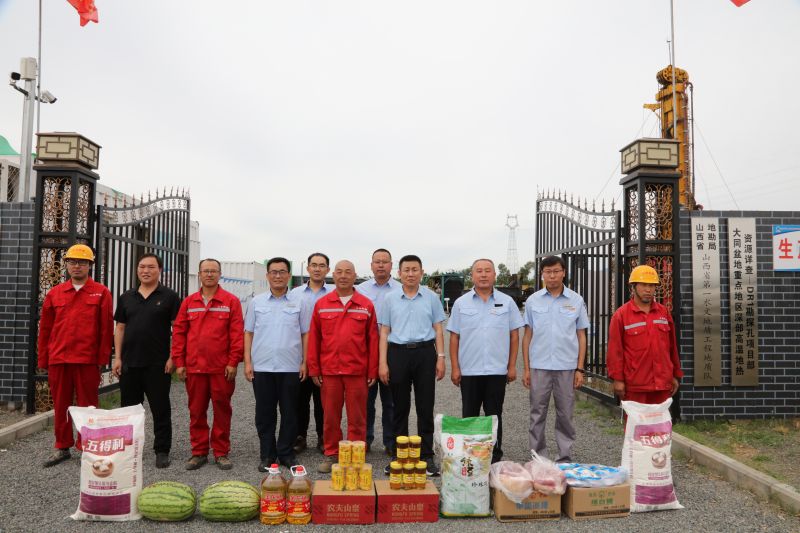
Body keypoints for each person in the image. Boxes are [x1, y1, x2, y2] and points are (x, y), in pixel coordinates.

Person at [37, 244, 113, 467]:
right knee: (61, 405)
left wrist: (102, 359)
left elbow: (105, 329)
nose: (76, 266)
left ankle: (88, 447)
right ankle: (62, 447)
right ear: (67, 265)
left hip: (87, 360)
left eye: (82, 262)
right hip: (59, 359)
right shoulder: (55, 293)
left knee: (88, 406)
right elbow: (45, 330)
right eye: (72, 262)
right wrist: (44, 360)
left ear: (90, 265)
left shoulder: (101, 292)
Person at [447, 258, 523, 463]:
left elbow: (514, 336)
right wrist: (455, 368)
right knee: (469, 415)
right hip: (469, 371)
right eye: (479, 271)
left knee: (494, 416)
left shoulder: (507, 302)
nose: (483, 275)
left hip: (497, 371)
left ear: (495, 275)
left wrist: (511, 366)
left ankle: (494, 457)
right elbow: (454, 337)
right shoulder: (461, 303)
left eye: (487, 271)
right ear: (472, 276)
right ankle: (469, 457)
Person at [172, 258, 244, 471]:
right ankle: (199, 452)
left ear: (220, 274)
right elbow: (179, 333)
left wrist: (233, 362)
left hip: (221, 369)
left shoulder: (231, 301)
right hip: (194, 368)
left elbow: (237, 335)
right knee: (196, 411)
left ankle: (221, 452)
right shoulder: (189, 302)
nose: (210, 274)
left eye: (213, 271)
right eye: (206, 271)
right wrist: (179, 362)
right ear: (200, 274)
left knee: (222, 410)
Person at [307, 260, 378, 473]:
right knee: (330, 417)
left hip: (357, 371)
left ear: (355, 276)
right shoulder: (322, 304)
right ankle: (332, 454)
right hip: (330, 371)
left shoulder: (366, 305)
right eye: (339, 272)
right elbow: (314, 339)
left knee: (358, 418)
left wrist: (372, 370)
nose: (344, 276)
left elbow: (373, 340)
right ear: (333, 275)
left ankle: (355, 458)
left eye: (348, 272)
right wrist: (314, 368)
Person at [112, 253, 181, 469]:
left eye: (151, 267)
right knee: (129, 411)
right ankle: (130, 449)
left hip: (158, 364)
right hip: (130, 363)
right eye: (142, 266)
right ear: (137, 270)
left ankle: (162, 450)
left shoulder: (169, 296)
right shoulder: (127, 297)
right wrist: (117, 357)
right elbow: (120, 328)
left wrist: (173, 357)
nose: (146, 271)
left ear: (160, 270)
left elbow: (178, 329)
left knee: (161, 409)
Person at [379, 254, 445, 476]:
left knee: (425, 406)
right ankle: (400, 456)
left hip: (425, 353)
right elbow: (384, 332)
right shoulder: (390, 299)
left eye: (414, 269)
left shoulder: (431, 298)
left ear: (422, 273)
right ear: (399, 273)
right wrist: (382, 363)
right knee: (399, 407)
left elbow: (438, 329)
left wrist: (441, 357)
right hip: (397, 354)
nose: (410, 274)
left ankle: (426, 456)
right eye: (406, 270)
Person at [244, 257, 310, 471]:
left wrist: (305, 361)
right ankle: (267, 455)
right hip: (262, 367)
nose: (278, 276)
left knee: (290, 413)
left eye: (282, 272)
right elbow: (248, 333)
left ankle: (286, 453)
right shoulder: (256, 302)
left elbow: (306, 334)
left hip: (290, 367)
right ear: (267, 275)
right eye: (274, 272)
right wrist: (247, 362)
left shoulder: (300, 302)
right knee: (265, 414)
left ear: (289, 275)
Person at [522, 255, 588, 463]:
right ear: (542, 274)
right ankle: (538, 457)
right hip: (539, 366)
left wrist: (579, 369)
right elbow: (527, 335)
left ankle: (564, 457)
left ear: (563, 273)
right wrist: (526, 368)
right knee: (537, 413)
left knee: (565, 414)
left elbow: (581, 335)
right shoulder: (533, 301)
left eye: (556, 271)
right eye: (548, 272)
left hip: (566, 367)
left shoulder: (576, 300)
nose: (552, 276)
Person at [607, 265, 683, 404]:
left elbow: (672, 347)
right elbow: (615, 351)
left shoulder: (663, 313)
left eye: (652, 285)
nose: (648, 290)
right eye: (643, 285)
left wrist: (675, 374)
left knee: (660, 419)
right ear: (633, 287)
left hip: (662, 384)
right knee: (636, 419)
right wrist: (618, 379)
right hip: (635, 386)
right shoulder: (621, 315)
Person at [356, 248, 398, 455]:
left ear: (392, 265)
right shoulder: (360, 290)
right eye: (377, 261)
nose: (381, 265)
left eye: (385, 261)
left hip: (393, 350)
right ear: (371, 265)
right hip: (366, 350)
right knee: (366, 399)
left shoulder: (400, 289)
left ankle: (391, 442)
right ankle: (365, 439)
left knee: (391, 401)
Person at [289, 252, 332, 455]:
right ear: (308, 268)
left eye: (321, 265)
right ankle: (300, 436)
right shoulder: (294, 294)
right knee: (300, 399)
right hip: (299, 354)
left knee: (324, 399)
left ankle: (324, 436)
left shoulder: (334, 293)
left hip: (326, 353)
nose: (317, 269)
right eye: (314, 265)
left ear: (327, 270)